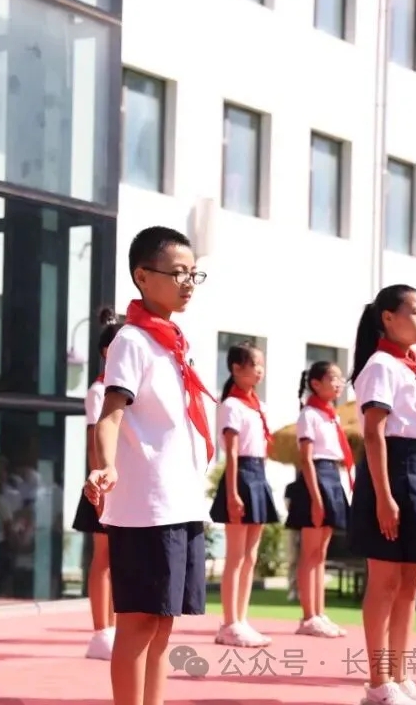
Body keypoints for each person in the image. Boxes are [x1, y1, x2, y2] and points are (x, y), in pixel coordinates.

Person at [84, 226, 211, 705]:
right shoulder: (132, 340)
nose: (188, 283)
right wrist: (106, 466)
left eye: (193, 273)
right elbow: (110, 413)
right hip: (147, 507)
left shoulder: (173, 341)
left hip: (180, 502)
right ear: (142, 276)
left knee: (162, 625)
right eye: (177, 273)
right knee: (138, 625)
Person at [349, 284, 416, 705]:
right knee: (385, 581)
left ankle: (400, 675)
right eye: (415, 311)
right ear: (388, 318)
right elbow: (374, 434)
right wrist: (384, 496)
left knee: (411, 581)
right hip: (391, 471)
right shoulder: (380, 365)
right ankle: (378, 683)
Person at [207, 342, 274, 648]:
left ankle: (242, 619)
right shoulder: (232, 405)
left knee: (251, 556)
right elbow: (231, 453)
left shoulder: (257, 406)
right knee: (235, 556)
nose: (259, 370)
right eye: (254, 364)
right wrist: (233, 493)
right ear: (236, 368)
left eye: (261, 365)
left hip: (258, 476)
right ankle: (229, 622)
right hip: (241, 476)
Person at [286, 360, 352, 638]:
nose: (339, 384)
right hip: (316, 479)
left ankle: (319, 613)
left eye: (340, 379)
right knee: (309, 553)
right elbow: (306, 459)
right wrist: (316, 498)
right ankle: (308, 616)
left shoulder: (332, 416)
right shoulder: (309, 415)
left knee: (321, 554)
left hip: (332, 477)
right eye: (333, 378)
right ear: (316, 383)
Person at [70, 306, 122, 660]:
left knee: (120, 559)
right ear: (107, 352)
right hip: (102, 484)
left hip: (124, 483)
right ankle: (101, 631)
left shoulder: (125, 389)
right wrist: (99, 488)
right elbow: (94, 442)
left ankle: (115, 627)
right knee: (103, 557)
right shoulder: (98, 390)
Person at [284, 479, 301, 602]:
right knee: (293, 560)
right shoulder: (290, 487)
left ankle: (303, 589)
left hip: (309, 527)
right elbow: (287, 506)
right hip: (293, 527)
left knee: (306, 560)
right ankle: (293, 589)